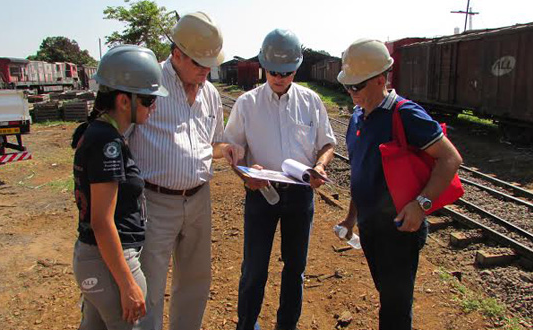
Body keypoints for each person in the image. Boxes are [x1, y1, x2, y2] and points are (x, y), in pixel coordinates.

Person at [126, 12, 244, 330]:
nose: (206, 73)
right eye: (199, 65)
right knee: (148, 280)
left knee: (195, 279)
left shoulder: (209, 94)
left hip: (198, 200)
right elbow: (121, 140)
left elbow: (213, 144)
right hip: (154, 201)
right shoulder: (148, 84)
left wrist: (227, 151)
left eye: (210, 66)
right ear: (177, 53)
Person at [336, 39, 463, 330]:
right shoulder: (358, 117)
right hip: (370, 228)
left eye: (357, 86)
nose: (351, 93)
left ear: (381, 80)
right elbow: (360, 171)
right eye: (348, 86)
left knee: (394, 310)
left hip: (400, 230)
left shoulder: (405, 114)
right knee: (388, 298)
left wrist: (421, 205)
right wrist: (352, 217)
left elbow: (450, 159)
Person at [224, 29, 337, 330]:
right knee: (254, 269)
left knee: (295, 269)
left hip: (300, 197)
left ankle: (286, 325)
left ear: (295, 69)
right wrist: (245, 174)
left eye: (287, 72)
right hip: (261, 194)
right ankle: (246, 325)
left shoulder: (311, 102)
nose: (279, 77)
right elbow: (233, 151)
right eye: (274, 71)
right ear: (263, 65)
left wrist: (320, 167)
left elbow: (327, 144)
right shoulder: (246, 104)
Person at [71, 44, 169, 330]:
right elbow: (102, 222)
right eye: (149, 99)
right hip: (111, 262)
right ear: (124, 101)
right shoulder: (107, 143)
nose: (154, 107)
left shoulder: (98, 133)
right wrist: (127, 284)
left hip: (96, 259)